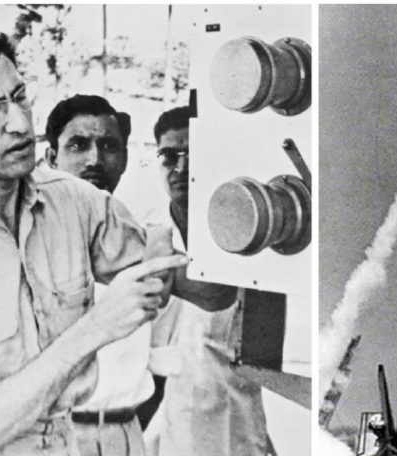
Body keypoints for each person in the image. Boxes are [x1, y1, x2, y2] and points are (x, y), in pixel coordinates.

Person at [0, 23, 232, 456]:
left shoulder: (75, 202)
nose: (19, 123)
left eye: (19, 96)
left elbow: (215, 292)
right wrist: (97, 327)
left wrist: (197, 216)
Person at [141, 106, 275, 456]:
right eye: (169, 156)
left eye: (193, 155)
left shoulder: (248, 245)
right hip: (163, 426)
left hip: (238, 427)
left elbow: (264, 359)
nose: (181, 168)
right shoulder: (144, 236)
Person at [42, 95, 152, 456]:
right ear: (51, 158)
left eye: (108, 146)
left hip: (125, 434)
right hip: (55, 437)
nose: (95, 159)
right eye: (78, 145)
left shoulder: (140, 239)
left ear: (125, 159)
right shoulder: (30, 238)